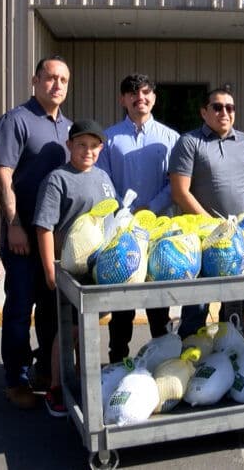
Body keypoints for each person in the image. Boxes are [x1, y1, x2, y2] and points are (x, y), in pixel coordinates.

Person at [0, 55, 72, 409]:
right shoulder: (16, 120)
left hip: (54, 239)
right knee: (21, 308)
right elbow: (2, 173)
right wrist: (13, 224)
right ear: (34, 80)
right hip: (23, 237)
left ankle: (44, 372)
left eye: (63, 80)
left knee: (51, 310)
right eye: (50, 78)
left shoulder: (69, 128)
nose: (57, 85)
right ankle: (16, 380)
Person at [169, 88, 244, 338]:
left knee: (235, 313)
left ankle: (231, 365)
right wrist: (214, 229)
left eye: (230, 107)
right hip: (200, 240)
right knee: (196, 310)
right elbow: (180, 191)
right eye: (217, 107)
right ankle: (190, 368)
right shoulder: (189, 142)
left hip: (239, 241)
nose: (224, 112)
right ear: (204, 112)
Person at [33, 119, 116, 417]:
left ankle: (83, 381)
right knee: (68, 331)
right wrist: (49, 269)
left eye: (94, 146)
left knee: (87, 329)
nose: (88, 151)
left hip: (99, 271)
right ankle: (56, 388)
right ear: (69, 146)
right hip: (69, 270)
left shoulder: (104, 177)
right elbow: (44, 226)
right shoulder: (58, 179)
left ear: (101, 148)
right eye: (82, 145)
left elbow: (112, 218)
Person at [99, 73, 179, 362]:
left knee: (158, 303)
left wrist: (150, 209)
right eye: (133, 93)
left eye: (146, 93)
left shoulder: (171, 139)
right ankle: (118, 362)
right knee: (122, 303)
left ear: (154, 98)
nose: (140, 98)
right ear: (123, 99)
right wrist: (123, 210)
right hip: (121, 232)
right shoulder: (107, 139)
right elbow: (102, 179)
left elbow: (176, 183)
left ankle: (163, 362)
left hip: (158, 230)